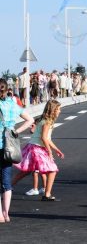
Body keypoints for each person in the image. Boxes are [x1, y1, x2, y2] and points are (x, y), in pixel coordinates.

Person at [13, 100, 65, 201]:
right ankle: (47, 195)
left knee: (26, 171)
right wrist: (50, 152)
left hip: (33, 146)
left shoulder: (45, 120)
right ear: (53, 110)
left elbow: (47, 138)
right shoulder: (47, 122)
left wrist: (57, 150)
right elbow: (44, 138)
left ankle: (7, 187)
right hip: (37, 148)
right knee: (52, 170)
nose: (60, 111)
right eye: (58, 109)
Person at [0, 78, 34, 223]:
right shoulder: (12, 104)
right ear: (7, 89)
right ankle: (6, 213)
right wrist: (16, 131)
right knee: (6, 181)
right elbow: (30, 119)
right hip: (9, 147)